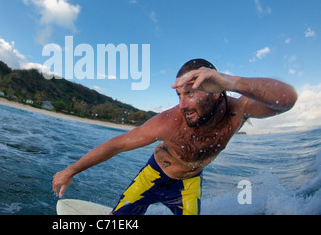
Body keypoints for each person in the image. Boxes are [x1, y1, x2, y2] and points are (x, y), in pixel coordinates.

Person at [52, 59, 298, 215]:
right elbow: (116, 145)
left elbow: (286, 101)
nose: (182, 104)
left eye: (190, 93)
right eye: (179, 95)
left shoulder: (238, 110)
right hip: (153, 176)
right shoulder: (167, 122)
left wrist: (232, 81)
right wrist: (71, 170)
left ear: (215, 92)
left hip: (189, 184)